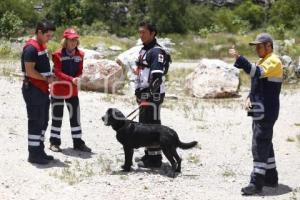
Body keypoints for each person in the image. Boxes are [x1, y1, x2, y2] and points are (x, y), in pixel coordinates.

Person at [229, 33, 283, 195]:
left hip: (267, 108)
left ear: (269, 46)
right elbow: (257, 83)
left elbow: (256, 72)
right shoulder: (263, 60)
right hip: (259, 107)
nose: (257, 49)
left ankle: (256, 182)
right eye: (256, 46)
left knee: (259, 143)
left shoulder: (273, 61)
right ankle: (271, 177)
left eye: (260, 46)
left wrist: (240, 58)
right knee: (265, 141)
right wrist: (249, 97)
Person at [134, 21, 171, 168]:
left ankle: (155, 160)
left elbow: (157, 78)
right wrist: (138, 92)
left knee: (152, 126)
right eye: (140, 32)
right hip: (144, 92)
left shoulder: (156, 51)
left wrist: (147, 95)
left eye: (144, 32)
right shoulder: (145, 49)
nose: (141, 35)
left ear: (153, 33)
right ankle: (149, 154)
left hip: (153, 94)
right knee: (145, 124)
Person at [49, 28, 91, 153]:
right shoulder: (57, 54)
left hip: (72, 91)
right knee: (57, 116)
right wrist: (71, 79)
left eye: (75, 40)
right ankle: (54, 143)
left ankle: (78, 143)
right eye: (70, 40)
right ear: (65, 41)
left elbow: (80, 70)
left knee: (75, 117)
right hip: (58, 89)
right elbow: (57, 72)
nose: (73, 42)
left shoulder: (81, 55)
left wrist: (78, 77)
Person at [21, 20, 56, 164]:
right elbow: (29, 71)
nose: (50, 38)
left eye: (51, 36)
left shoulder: (41, 46)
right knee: (36, 121)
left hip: (42, 89)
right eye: (48, 35)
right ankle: (34, 154)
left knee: (43, 121)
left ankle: (39, 150)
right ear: (39, 32)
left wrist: (49, 76)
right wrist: (45, 78)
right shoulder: (30, 48)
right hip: (33, 89)